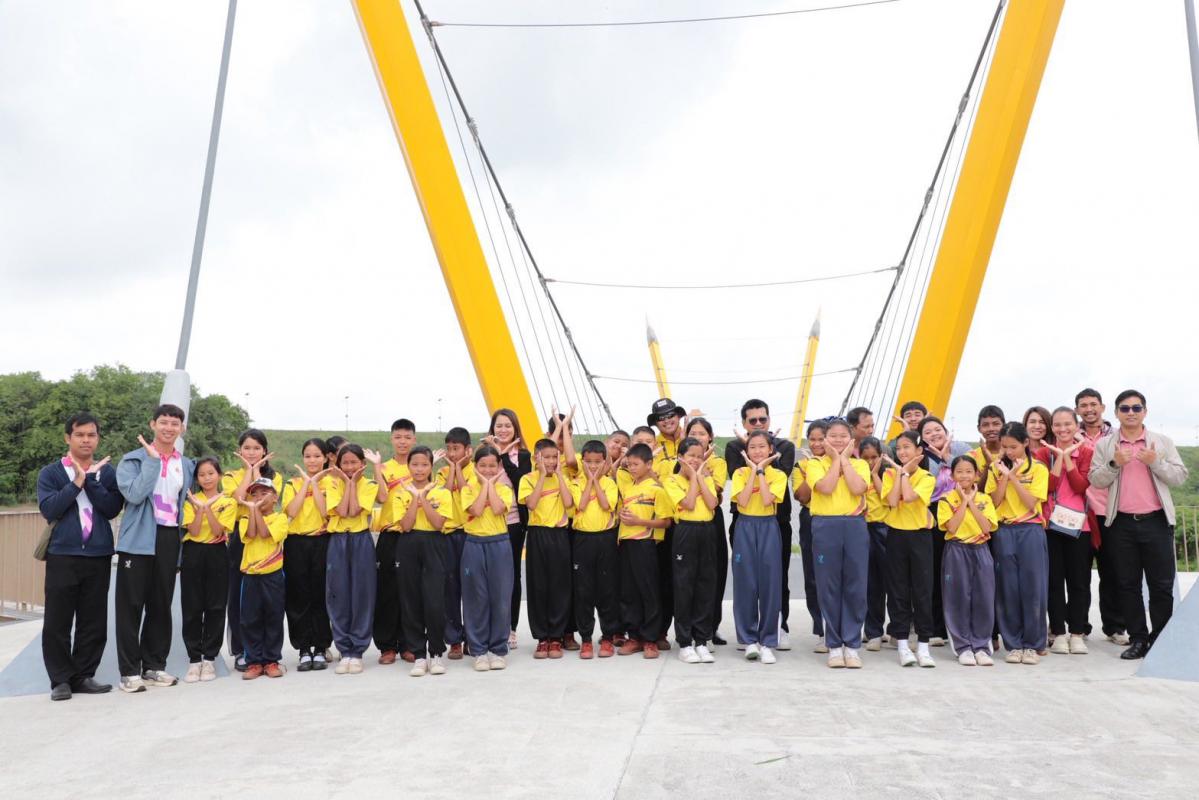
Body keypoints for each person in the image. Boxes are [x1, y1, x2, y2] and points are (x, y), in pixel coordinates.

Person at [1089, 390, 1189, 660]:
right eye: (1125, 408)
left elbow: (1180, 476)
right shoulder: (1106, 445)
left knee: (1161, 585)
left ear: (1145, 411)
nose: (1130, 413)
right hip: (1121, 524)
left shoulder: (1162, 442)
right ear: (1116, 413)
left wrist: (1155, 462)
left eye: (1136, 408)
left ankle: (1160, 639)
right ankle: (1138, 639)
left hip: (1156, 521)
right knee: (1127, 584)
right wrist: (1114, 463)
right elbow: (1095, 479)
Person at [36, 413, 123, 701]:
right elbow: (50, 509)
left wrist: (92, 480)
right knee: (57, 620)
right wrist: (77, 482)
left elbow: (111, 508)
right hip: (63, 554)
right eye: (80, 435)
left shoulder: (107, 473)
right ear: (68, 438)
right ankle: (60, 679)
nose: (86, 440)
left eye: (91, 435)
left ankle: (83, 675)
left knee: (93, 619)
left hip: (98, 554)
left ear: (98, 438)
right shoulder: (51, 473)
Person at [114, 404, 195, 693]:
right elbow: (135, 495)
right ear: (153, 425)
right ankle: (129, 672)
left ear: (182, 428)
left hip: (170, 536)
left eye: (175, 423)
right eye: (163, 422)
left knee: (161, 605)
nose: (169, 428)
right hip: (139, 537)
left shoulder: (186, 464)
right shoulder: (133, 460)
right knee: (130, 606)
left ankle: (154, 666)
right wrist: (152, 461)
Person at [725, 400, 796, 649]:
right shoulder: (734, 448)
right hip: (744, 521)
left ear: (769, 420)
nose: (758, 423)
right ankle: (747, 635)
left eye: (762, 419)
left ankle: (776, 629)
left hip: (775, 522)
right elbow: (740, 489)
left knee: (776, 580)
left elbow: (776, 486)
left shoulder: (785, 447)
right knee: (746, 580)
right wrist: (753, 458)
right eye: (752, 420)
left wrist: (763, 464)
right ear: (744, 423)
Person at [805, 418, 870, 669]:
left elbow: (857, 488)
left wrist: (844, 460)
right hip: (825, 525)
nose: (838, 440)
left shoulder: (860, 464)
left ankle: (852, 645)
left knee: (855, 585)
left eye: (843, 436)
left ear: (851, 440)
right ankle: (833, 645)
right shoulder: (815, 463)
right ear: (825, 439)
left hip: (854, 524)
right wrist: (835, 461)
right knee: (828, 585)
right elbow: (825, 487)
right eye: (833, 436)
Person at [986, 422, 1049, 665]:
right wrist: (1004, 475)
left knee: (1033, 587)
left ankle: (1033, 644)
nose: (1009, 452)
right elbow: (994, 501)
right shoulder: (996, 468)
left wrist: (1013, 477)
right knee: (1008, 588)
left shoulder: (1038, 469)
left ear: (1025, 443)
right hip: (1005, 530)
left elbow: (1032, 502)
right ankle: (1013, 644)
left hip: (1030, 529)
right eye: (1004, 447)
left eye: (1013, 446)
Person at [221, 430, 283, 672]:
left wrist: (257, 471)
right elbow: (239, 498)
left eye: (257, 448)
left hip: (268, 532)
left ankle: (269, 655)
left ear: (264, 451)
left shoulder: (275, 477)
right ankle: (242, 651)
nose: (251, 452)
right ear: (240, 450)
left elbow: (264, 499)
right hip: (242, 532)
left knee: (268, 601)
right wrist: (249, 470)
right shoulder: (231, 476)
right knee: (239, 596)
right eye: (247, 448)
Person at [1035, 408, 1094, 655]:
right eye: (1057, 425)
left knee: (1079, 582)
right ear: (1052, 428)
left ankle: (1077, 633)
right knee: (1054, 582)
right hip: (1051, 525)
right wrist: (1058, 457)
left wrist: (1069, 458)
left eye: (1067, 424)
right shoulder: (1042, 453)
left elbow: (1080, 486)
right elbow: (1047, 486)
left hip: (1080, 527)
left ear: (1076, 426)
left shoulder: (1087, 452)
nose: (1063, 429)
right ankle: (1058, 632)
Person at [394, 446, 451, 677]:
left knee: (434, 601)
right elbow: (406, 525)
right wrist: (414, 498)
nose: (419, 469)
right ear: (408, 466)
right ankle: (418, 654)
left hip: (434, 544)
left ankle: (436, 653)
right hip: (408, 544)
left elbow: (438, 523)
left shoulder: (442, 492)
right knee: (411, 601)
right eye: (415, 464)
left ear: (431, 466)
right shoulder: (400, 492)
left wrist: (423, 497)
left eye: (424, 464)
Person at [730, 430, 786, 664]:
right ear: (746, 451)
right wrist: (752, 471)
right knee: (745, 583)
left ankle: (768, 641)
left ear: (770, 449)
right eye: (752, 447)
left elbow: (766, 499)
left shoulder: (778, 475)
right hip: (745, 525)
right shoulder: (739, 473)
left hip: (768, 526)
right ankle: (748, 640)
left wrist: (761, 471)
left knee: (770, 584)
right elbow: (741, 502)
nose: (757, 451)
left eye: (762, 446)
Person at [881, 432, 937, 668]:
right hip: (896, 536)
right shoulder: (889, 474)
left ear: (918, 451)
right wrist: (900, 473)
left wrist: (903, 473)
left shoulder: (926, 477)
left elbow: (912, 497)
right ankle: (903, 645)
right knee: (898, 591)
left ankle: (923, 646)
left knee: (922, 591)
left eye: (907, 447)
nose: (902, 452)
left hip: (920, 537)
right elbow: (893, 501)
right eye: (899, 448)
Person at [1075, 388, 1126, 644]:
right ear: (1077, 410)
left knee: (1112, 572)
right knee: (1079, 575)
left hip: (1110, 513)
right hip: (1081, 514)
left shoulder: (1117, 436)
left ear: (1102, 407)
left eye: (1093, 404)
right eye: (1083, 405)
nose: (1089, 409)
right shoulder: (1071, 436)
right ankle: (1080, 627)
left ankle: (1114, 627)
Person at [324, 444, 379, 675]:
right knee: (338, 594)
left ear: (362, 465)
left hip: (360, 540)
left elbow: (354, 511)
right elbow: (340, 511)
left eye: (353, 462)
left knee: (362, 594)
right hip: (338, 540)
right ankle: (343, 648)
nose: (349, 467)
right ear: (338, 465)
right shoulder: (331, 483)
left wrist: (352, 484)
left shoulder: (369, 484)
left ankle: (357, 650)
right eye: (344, 463)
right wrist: (347, 483)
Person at [938, 456, 998, 666]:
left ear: (976, 475)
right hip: (957, 550)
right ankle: (963, 647)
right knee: (957, 598)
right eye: (959, 472)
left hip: (981, 549)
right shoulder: (946, 499)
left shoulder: (985, 499)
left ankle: (981, 646)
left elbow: (987, 527)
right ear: (952, 475)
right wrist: (963, 501)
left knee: (984, 598)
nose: (964, 475)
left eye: (969, 471)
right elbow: (952, 527)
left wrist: (971, 501)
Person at [180, 457, 236, 683]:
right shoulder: (189, 501)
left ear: (219, 475)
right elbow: (193, 531)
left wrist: (206, 508)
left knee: (216, 606)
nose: (207, 478)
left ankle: (209, 658)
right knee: (192, 606)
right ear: (197, 478)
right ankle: (194, 660)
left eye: (211, 473)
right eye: (202, 475)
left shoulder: (228, 501)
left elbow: (218, 531)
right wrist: (199, 508)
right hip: (193, 553)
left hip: (217, 553)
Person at [916, 415, 970, 647]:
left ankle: (965, 626)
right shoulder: (921, 458)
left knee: (962, 574)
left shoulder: (960, 451)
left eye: (938, 429)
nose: (934, 434)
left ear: (946, 431)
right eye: (928, 432)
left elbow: (969, 476)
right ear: (922, 438)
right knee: (936, 572)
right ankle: (936, 627)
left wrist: (947, 457)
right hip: (935, 514)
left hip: (963, 511)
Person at [460, 444, 516, 671]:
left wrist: (490, 485)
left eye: (492, 466)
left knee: (500, 597)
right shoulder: (467, 488)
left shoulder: (505, 489)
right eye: (482, 466)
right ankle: (479, 650)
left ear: (499, 466)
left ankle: (498, 649)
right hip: (474, 544)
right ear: (475, 466)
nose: (488, 470)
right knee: (476, 598)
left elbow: (497, 509)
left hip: (499, 543)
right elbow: (475, 510)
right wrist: (484, 485)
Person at [666, 437, 720, 664]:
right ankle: (685, 642)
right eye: (691, 456)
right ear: (681, 458)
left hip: (707, 531)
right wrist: (696, 478)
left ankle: (702, 641)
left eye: (699, 456)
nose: (696, 460)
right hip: (686, 531)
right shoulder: (672, 480)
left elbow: (712, 504)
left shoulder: (706, 478)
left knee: (705, 585)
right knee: (684, 586)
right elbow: (688, 504)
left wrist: (699, 477)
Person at [519, 438, 574, 659]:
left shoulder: (564, 478)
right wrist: (542, 475)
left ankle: (556, 637)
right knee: (538, 586)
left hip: (559, 534)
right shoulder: (527, 479)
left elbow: (569, 503)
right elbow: (531, 504)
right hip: (537, 535)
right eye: (546, 457)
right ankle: (542, 638)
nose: (551, 462)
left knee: (559, 586)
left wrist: (559, 475)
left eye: (554, 457)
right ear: (536, 458)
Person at [617, 442, 673, 658]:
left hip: (646, 544)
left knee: (648, 591)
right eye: (629, 464)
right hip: (627, 543)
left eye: (636, 464)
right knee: (629, 592)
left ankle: (650, 639)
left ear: (649, 464)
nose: (631, 468)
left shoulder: (657, 489)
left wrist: (639, 521)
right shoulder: (628, 488)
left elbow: (666, 522)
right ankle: (634, 637)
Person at [282, 438, 333, 671]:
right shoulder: (292, 483)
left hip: (322, 541)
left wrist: (315, 484)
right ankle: (303, 649)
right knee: (298, 597)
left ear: (326, 458)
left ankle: (321, 647)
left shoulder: (333, 482)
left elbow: (326, 512)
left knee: (321, 595)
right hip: (296, 542)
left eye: (317, 456)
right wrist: (306, 483)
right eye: (308, 456)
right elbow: (292, 511)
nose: (312, 460)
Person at [483, 409, 531, 651]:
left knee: (511, 576)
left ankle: (511, 627)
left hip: (513, 523)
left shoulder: (523, 455)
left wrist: (503, 456)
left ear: (515, 428)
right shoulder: (484, 452)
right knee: (487, 576)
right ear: (492, 428)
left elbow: (521, 483)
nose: (503, 430)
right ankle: (488, 626)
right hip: (486, 523)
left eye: (508, 426)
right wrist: (493, 453)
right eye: (499, 426)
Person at [570, 440, 621, 660]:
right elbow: (580, 506)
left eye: (597, 462)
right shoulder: (575, 483)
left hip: (605, 539)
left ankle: (607, 637)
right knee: (584, 591)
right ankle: (586, 639)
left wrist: (596, 481)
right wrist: (590, 480)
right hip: (583, 540)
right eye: (588, 462)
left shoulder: (610, 483)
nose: (592, 466)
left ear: (605, 462)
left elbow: (606, 505)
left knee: (607, 589)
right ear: (582, 461)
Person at [372, 418, 416, 665]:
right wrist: (377, 469)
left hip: (413, 533)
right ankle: (387, 646)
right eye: (398, 437)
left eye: (407, 437)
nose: (402, 442)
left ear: (414, 440)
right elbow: (380, 498)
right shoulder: (384, 468)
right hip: (390, 534)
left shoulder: (420, 465)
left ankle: (409, 644)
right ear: (392, 439)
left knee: (410, 591)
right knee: (387, 592)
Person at [236, 478, 289, 680]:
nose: (258, 498)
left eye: (264, 493)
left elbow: (266, 534)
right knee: (250, 619)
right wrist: (253, 510)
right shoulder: (245, 518)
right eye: (254, 494)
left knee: (273, 617)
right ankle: (254, 662)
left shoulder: (280, 518)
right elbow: (251, 534)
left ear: (275, 497)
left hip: (273, 575)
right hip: (251, 576)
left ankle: (271, 660)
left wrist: (255, 510)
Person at [685, 418, 730, 645]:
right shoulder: (681, 462)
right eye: (692, 433)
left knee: (714, 573)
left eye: (702, 433)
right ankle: (688, 629)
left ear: (710, 437)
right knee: (687, 577)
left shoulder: (718, 462)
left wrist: (701, 468)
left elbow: (717, 492)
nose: (698, 437)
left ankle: (711, 627)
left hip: (711, 517)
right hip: (686, 519)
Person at [437, 427, 474, 660]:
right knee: (450, 589)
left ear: (468, 450)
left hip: (470, 534)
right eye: (449, 449)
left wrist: (459, 468)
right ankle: (454, 640)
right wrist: (452, 468)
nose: (452, 453)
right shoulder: (442, 472)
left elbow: (467, 491)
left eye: (456, 449)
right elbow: (445, 492)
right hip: (448, 534)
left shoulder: (477, 470)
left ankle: (472, 637)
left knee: (472, 588)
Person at [793, 420, 828, 652]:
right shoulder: (802, 465)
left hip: (833, 518)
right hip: (810, 518)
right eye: (812, 439)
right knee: (813, 576)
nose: (816, 444)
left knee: (835, 576)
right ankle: (821, 629)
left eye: (821, 439)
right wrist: (811, 470)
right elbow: (802, 496)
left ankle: (839, 626)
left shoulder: (840, 462)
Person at [858, 437, 889, 651]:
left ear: (881, 456)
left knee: (891, 582)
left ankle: (896, 629)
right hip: (863, 528)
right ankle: (873, 632)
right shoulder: (854, 473)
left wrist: (875, 474)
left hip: (885, 529)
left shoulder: (888, 475)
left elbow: (887, 498)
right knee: (871, 584)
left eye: (874, 457)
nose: (870, 462)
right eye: (865, 458)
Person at [967, 406, 1005, 487]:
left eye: (996, 424)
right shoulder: (970, 457)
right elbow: (973, 490)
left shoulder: (1012, 454)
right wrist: (988, 464)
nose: (991, 429)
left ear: (1004, 426)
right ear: (979, 428)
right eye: (985, 425)